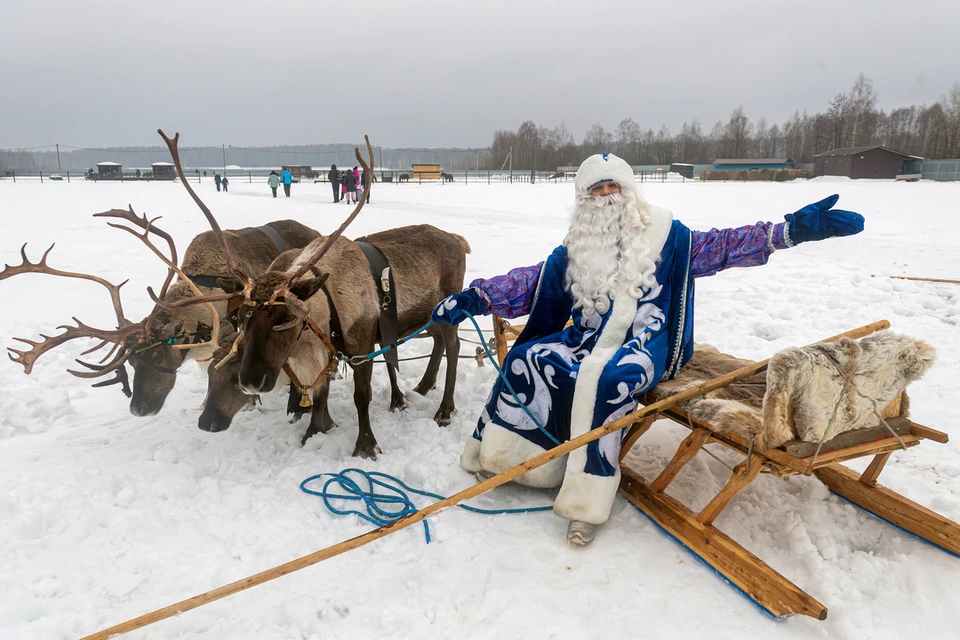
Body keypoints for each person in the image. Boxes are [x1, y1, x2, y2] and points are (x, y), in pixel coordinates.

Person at [431, 153, 864, 546]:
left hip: (645, 344)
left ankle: (586, 501)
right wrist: (478, 297)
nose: (605, 196)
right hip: (586, 339)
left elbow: (726, 245)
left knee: (608, 381)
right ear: (582, 200)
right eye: (595, 190)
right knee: (531, 358)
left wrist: (789, 231)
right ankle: (516, 459)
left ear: (629, 190)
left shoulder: (669, 238)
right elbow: (530, 280)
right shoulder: (579, 246)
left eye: (612, 186)